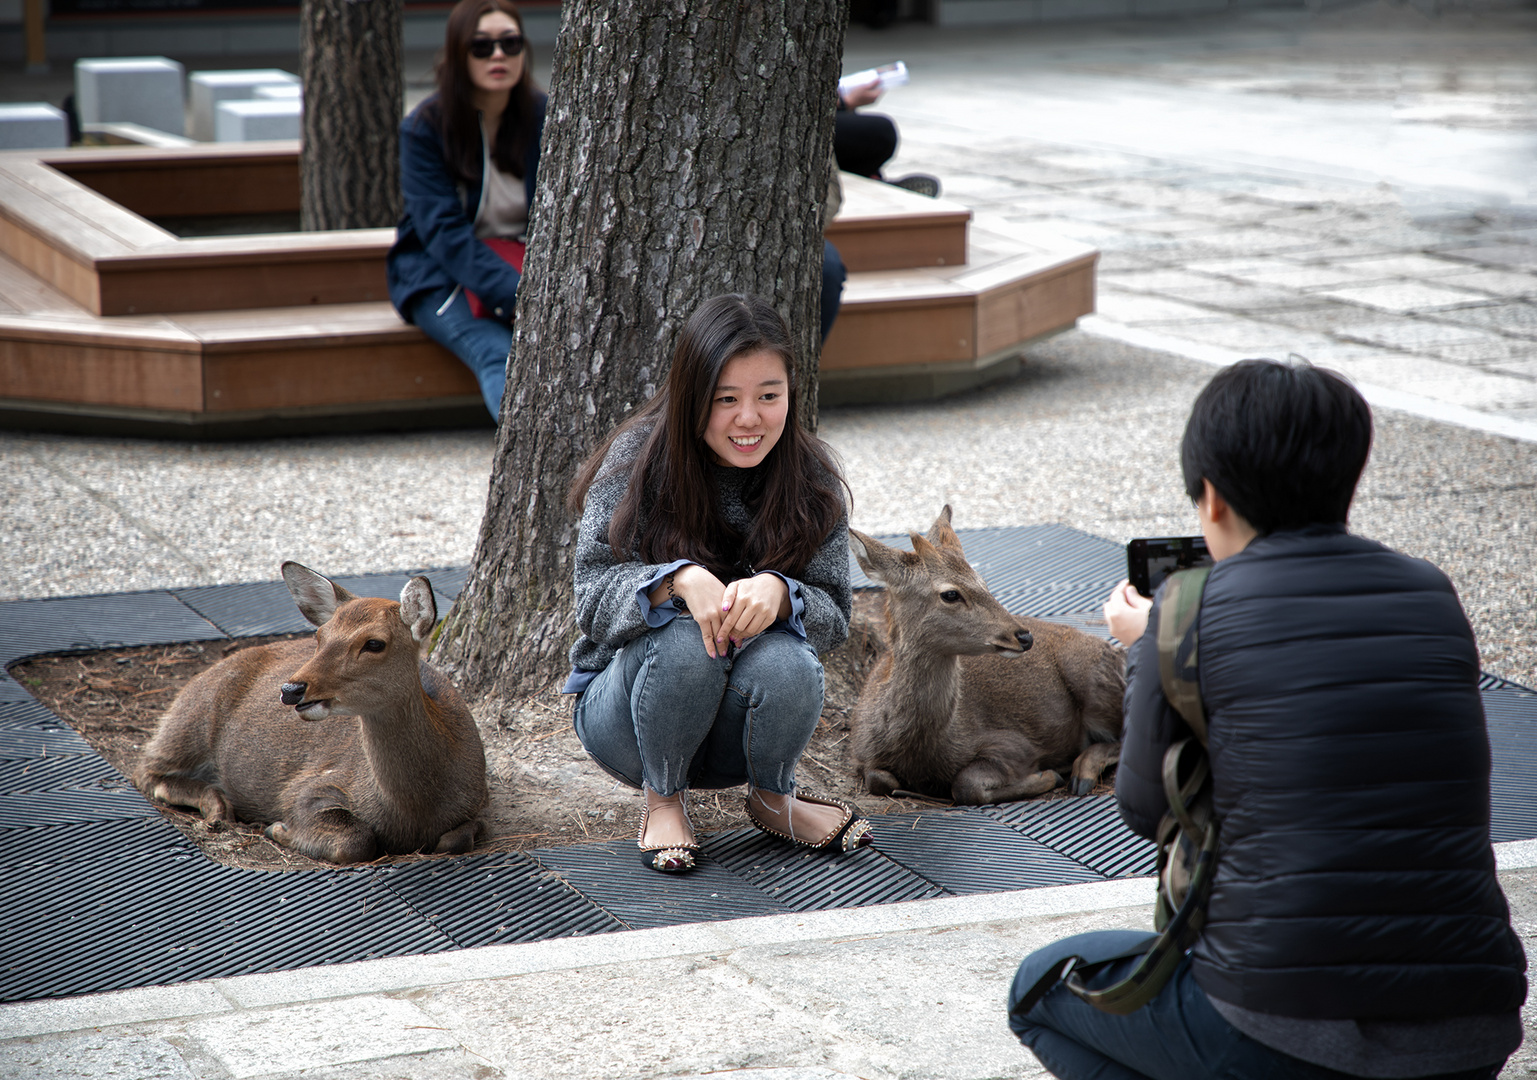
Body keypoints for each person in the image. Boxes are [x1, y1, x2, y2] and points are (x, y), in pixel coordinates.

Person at [1007, 359, 1526, 1079]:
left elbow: (1142, 807)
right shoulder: (1429, 592)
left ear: (1211, 500)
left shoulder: (1185, 614)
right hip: (1471, 1027)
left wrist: (1146, 651)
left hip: (1281, 1027)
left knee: (1036, 987)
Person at [563, 294, 870, 874]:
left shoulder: (812, 477)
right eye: (726, 399)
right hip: (627, 715)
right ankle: (664, 801)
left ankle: (774, 797)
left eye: (768, 396)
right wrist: (673, 582)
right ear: (691, 397)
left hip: (737, 733)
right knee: (684, 640)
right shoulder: (639, 461)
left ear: (791, 394)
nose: (749, 418)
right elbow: (590, 596)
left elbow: (834, 618)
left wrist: (785, 594)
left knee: (791, 663)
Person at [387, 0, 546, 422]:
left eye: (510, 44)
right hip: (440, 273)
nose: (498, 55)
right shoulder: (425, 127)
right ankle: (533, 466)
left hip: (525, 265)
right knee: (498, 355)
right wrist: (518, 294)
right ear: (460, 54)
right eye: (482, 46)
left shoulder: (546, 116)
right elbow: (442, 232)